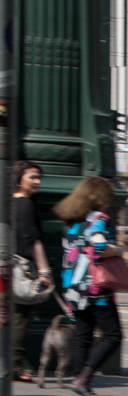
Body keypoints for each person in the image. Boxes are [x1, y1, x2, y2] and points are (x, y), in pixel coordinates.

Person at [56, 175, 123, 396]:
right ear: (99, 197)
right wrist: (118, 249)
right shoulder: (99, 219)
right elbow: (99, 248)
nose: (108, 203)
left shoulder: (72, 221)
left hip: (72, 287)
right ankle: (84, 380)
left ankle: (80, 387)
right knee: (113, 335)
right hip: (95, 289)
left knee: (83, 336)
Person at [11, 161, 54, 383]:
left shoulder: (9, 203)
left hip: (8, 264)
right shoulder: (26, 205)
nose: (37, 181)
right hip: (22, 267)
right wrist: (45, 271)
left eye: (39, 178)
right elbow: (33, 241)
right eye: (32, 177)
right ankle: (15, 365)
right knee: (21, 316)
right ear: (19, 178)